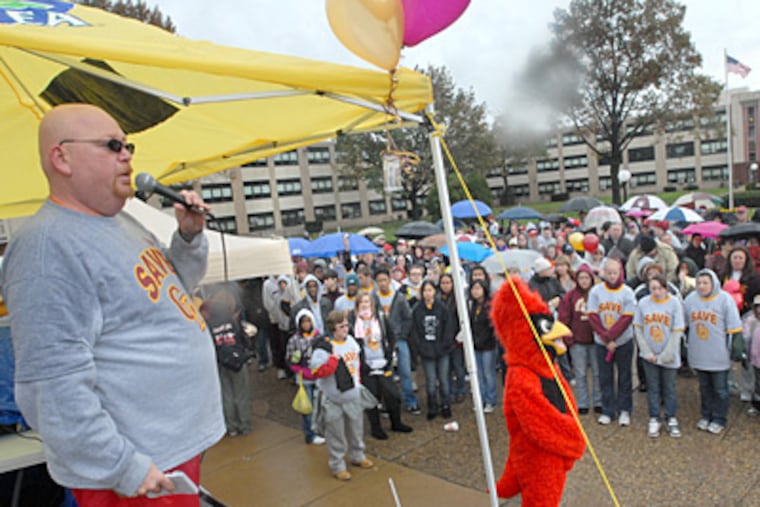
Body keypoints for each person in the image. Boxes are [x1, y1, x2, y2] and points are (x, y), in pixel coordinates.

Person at [0, 104, 224, 502]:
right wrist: (124, 467)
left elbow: (168, 298)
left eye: (128, 146)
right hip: (137, 473)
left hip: (170, 450)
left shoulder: (121, 222)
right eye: (112, 145)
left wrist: (188, 238)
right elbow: (51, 387)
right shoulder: (45, 248)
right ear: (62, 157)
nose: (127, 156)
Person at [310, 310, 373, 481]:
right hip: (333, 398)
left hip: (352, 395)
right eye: (341, 326)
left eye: (346, 325)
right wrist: (332, 360)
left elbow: (357, 364)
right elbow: (316, 372)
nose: (345, 329)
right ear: (333, 329)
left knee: (356, 430)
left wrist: (358, 383)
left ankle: (358, 456)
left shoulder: (352, 342)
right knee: (335, 434)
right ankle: (337, 465)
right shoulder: (323, 348)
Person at [684, 269, 744, 434]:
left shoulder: (725, 300)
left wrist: (736, 349)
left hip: (719, 353)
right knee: (704, 387)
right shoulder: (690, 300)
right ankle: (706, 415)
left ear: (713, 283)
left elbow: (734, 326)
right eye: (699, 283)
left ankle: (719, 418)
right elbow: (684, 325)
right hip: (699, 352)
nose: (702, 286)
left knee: (720, 389)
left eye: (705, 283)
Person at [348, 293, 413, 439]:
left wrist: (389, 355)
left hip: (383, 364)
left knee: (393, 395)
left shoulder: (380, 318)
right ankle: (376, 428)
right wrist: (361, 363)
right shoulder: (353, 322)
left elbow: (390, 336)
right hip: (366, 367)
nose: (365, 304)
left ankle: (396, 423)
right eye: (362, 302)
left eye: (367, 301)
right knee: (371, 398)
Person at [633, 275, 686, 438]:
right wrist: (646, 352)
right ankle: (654, 417)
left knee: (669, 388)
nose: (656, 292)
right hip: (649, 355)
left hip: (669, 355)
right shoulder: (643, 303)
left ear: (666, 288)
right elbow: (638, 328)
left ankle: (671, 417)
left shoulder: (674, 303)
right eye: (653, 288)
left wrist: (666, 354)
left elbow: (677, 330)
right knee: (653, 387)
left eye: (659, 288)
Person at [587, 258, 636, 427]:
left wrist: (613, 337)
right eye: (609, 273)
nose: (612, 276)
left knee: (625, 376)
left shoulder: (627, 292)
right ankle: (608, 410)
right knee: (605, 377)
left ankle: (624, 409)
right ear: (604, 273)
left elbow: (627, 317)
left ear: (620, 272)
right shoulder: (596, 291)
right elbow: (592, 316)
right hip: (602, 343)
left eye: (615, 272)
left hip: (623, 342)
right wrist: (606, 338)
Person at [203, 287, 252, 438]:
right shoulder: (232, 321)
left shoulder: (210, 325)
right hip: (238, 360)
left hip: (222, 362)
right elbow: (243, 338)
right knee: (241, 394)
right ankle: (245, 425)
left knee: (227, 394)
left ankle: (231, 427)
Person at [372, 267, 419, 415]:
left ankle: (410, 401)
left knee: (405, 371)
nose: (383, 283)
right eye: (379, 281)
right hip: (382, 342)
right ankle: (389, 403)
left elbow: (408, 318)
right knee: (387, 374)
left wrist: (403, 335)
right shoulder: (374, 299)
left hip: (399, 340)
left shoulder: (399, 298)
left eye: (385, 280)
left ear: (390, 280)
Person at [558, 263, 601, 415]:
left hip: (596, 340)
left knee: (597, 373)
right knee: (581, 373)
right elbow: (564, 318)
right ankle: (582, 402)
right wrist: (569, 339)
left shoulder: (597, 294)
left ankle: (598, 401)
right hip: (578, 342)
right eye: (581, 278)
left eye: (586, 278)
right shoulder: (570, 297)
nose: (584, 281)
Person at [411, 280, 455, 420]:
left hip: (442, 350)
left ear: (434, 291)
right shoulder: (417, 309)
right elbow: (415, 332)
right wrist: (421, 348)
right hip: (426, 351)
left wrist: (444, 345)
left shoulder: (442, 308)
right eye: (425, 290)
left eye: (430, 290)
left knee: (444, 380)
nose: (427, 293)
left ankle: (446, 405)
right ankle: (432, 406)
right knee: (430, 381)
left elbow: (448, 328)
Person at [286, 309, 326, 445]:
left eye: (308, 321)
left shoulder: (319, 337)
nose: (306, 325)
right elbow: (290, 359)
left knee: (320, 405)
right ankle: (310, 434)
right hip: (304, 379)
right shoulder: (294, 340)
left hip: (319, 377)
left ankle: (321, 429)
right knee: (307, 408)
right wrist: (300, 369)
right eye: (303, 322)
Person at [469, 279, 497, 413]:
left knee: (488, 373)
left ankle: (490, 399)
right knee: (478, 374)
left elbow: (491, 327)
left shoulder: (489, 306)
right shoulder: (472, 306)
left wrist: (483, 339)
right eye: (474, 289)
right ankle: (481, 399)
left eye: (478, 288)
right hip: (475, 345)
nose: (476, 292)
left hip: (488, 345)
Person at [440, 273, 466, 403]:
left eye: (447, 283)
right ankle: (449, 392)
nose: (445, 286)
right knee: (446, 368)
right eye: (443, 283)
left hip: (456, 338)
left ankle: (460, 390)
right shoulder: (438, 298)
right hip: (443, 339)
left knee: (458, 367)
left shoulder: (458, 299)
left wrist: (460, 335)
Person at [740, 295, 760, 409]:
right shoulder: (751, 321)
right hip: (756, 358)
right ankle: (756, 403)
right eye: (758, 307)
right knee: (757, 380)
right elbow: (746, 337)